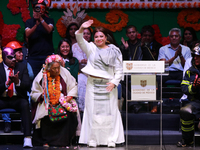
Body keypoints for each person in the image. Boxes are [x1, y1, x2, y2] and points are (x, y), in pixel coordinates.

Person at [76, 20, 124, 147]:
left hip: (108, 85)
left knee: (110, 113)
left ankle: (111, 139)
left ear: (106, 37)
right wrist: (81, 28)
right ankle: (93, 139)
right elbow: (79, 38)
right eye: (96, 36)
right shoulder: (90, 48)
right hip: (93, 84)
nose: (98, 38)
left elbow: (119, 69)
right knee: (92, 112)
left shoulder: (114, 50)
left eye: (101, 36)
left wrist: (114, 83)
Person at [31, 54, 78, 147]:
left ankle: (63, 142)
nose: (57, 70)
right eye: (54, 68)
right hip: (47, 101)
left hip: (63, 100)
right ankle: (46, 141)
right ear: (48, 68)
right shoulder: (41, 76)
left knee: (70, 115)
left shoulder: (65, 72)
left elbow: (73, 86)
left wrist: (69, 97)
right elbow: (34, 92)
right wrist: (42, 96)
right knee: (44, 114)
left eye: (58, 68)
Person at [0, 47, 32, 148]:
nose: (13, 59)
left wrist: (18, 82)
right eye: (10, 57)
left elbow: (27, 85)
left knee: (25, 104)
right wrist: (6, 84)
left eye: (14, 57)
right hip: (2, 98)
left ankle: (27, 137)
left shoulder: (22, 67)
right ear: (4, 57)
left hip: (17, 98)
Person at [177, 43, 200, 147]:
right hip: (196, 101)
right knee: (185, 111)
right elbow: (184, 88)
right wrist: (194, 86)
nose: (196, 58)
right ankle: (187, 140)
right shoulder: (189, 72)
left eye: (198, 56)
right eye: (194, 56)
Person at [25, 0, 54, 78]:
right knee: (33, 78)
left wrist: (41, 19)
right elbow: (27, 34)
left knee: (48, 78)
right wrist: (36, 25)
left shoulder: (49, 20)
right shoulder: (29, 22)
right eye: (35, 9)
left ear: (43, 10)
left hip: (47, 56)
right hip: (33, 57)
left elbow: (49, 30)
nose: (36, 11)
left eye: (39, 9)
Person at [72, 28, 92, 113]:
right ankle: (81, 108)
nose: (86, 35)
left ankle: (91, 109)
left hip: (92, 73)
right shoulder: (75, 46)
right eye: (84, 33)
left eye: (88, 33)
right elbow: (73, 60)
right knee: (80, 81)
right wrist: (81, 61)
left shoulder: (93, 45)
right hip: (81, 72)